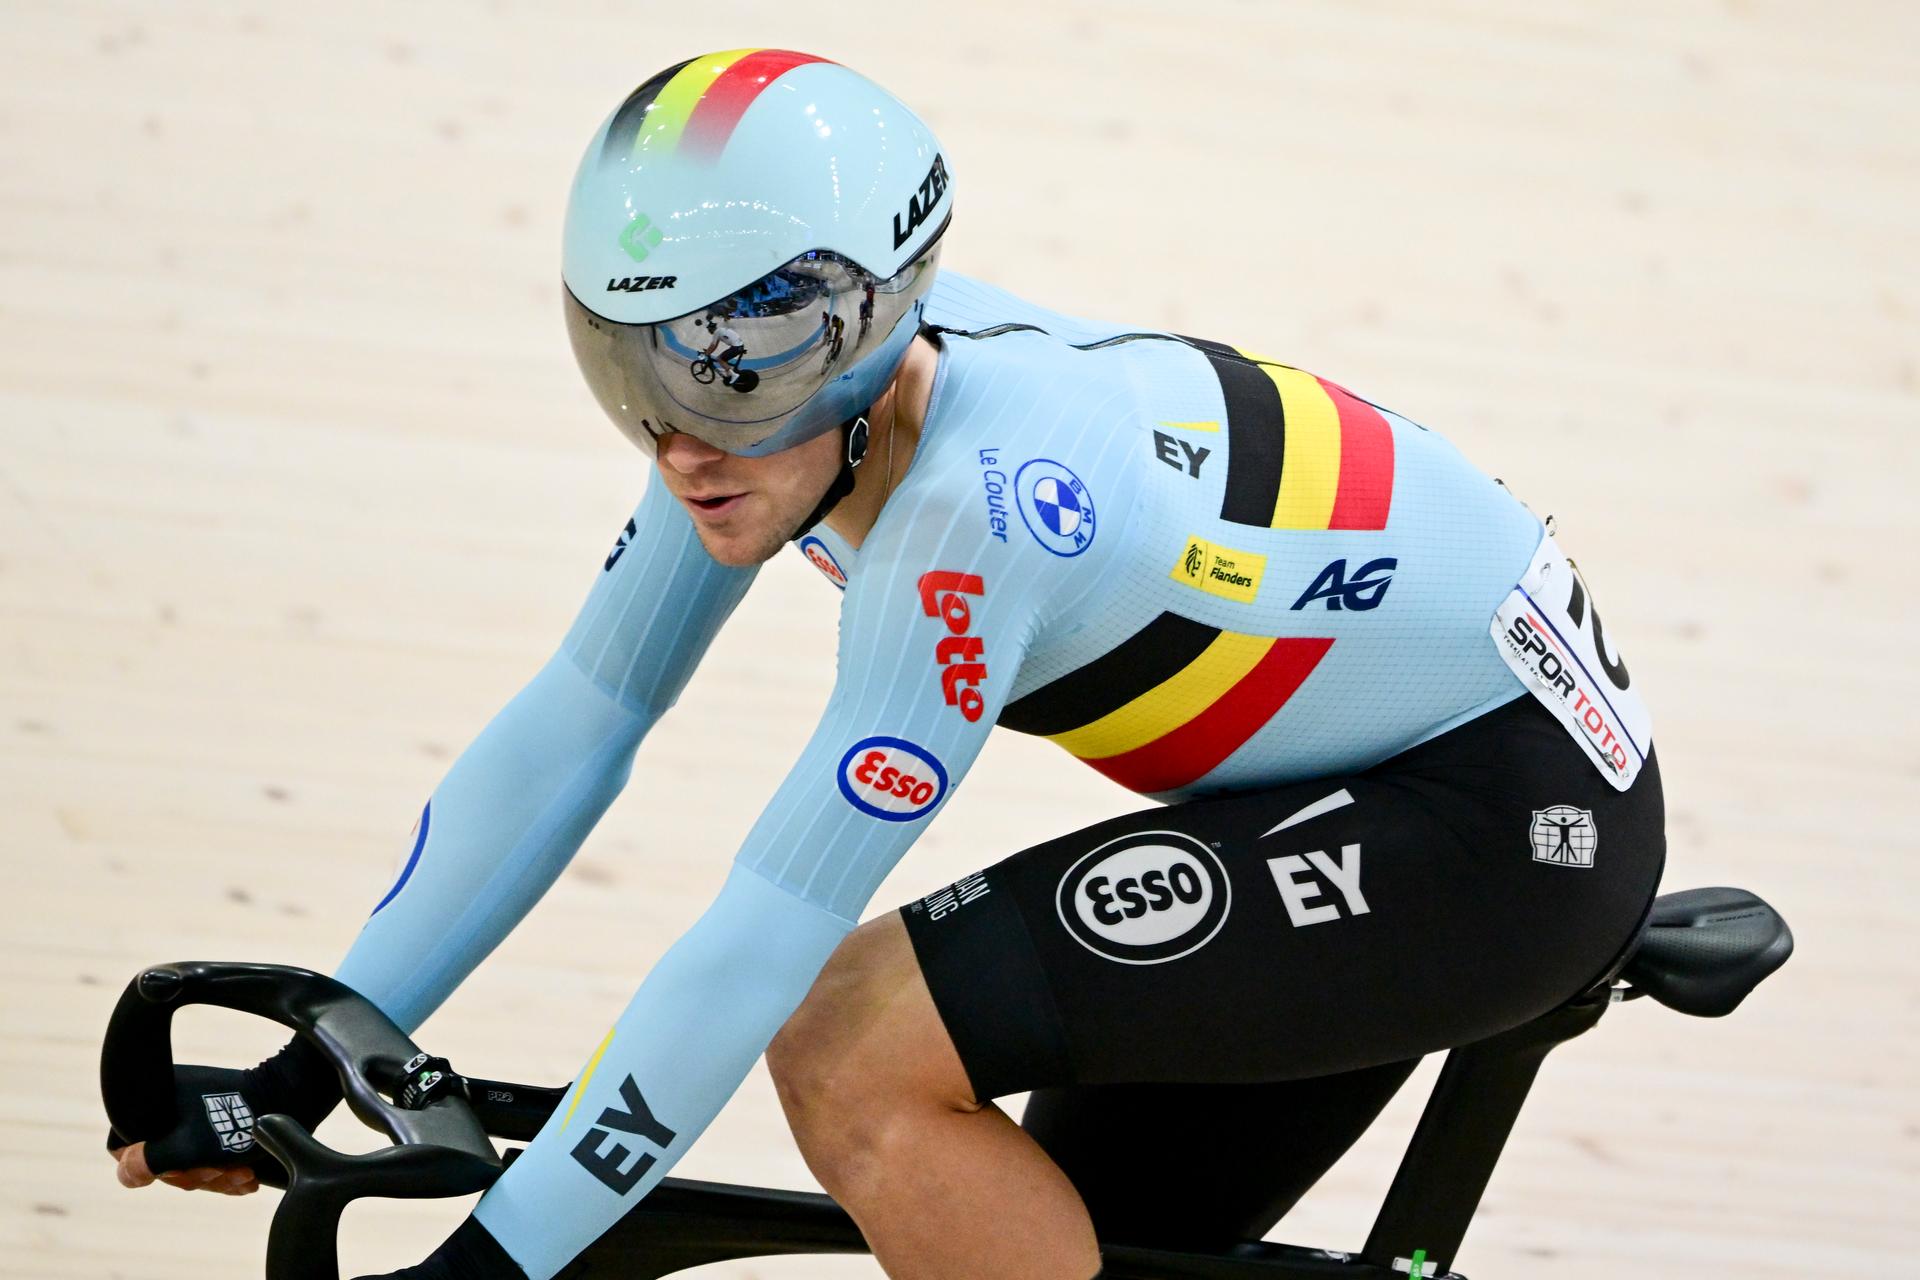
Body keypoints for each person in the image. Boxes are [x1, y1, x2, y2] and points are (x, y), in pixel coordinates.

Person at [108, 48, 1662, 1280]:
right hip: (1328, 774)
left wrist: (497, 1265)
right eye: (631, 365)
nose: (679, 435)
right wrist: (313, 1063)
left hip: (1485, 822)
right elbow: (578, 724)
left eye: (725, 369)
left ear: (857, 333)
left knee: (850, 1045)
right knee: (1058, 1227)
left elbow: (766, 938)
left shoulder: (980, 525)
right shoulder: (772, 408)